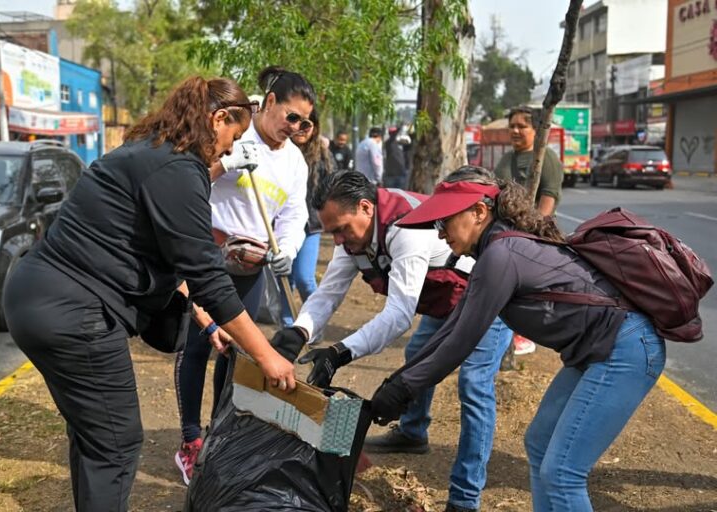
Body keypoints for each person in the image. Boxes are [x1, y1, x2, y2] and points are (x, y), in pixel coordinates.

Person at [2, 76, 297, 512]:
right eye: (232, 136)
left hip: (36, 299)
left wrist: (207, 323)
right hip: (74, 311)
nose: (231, 150)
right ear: (218, 119)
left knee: (95, 435)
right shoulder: (179, 170)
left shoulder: (148, 152)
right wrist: (268, 357)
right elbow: (208, 277)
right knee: (117, 444)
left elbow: (167, 257)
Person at [370, 167, 666, 512]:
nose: (439, 234)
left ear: (479, 212)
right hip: (602, 349)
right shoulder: (495, 251)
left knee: (563, 473)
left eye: (444, 221)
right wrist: (398, 383)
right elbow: (453, 328)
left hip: (624, 348)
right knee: (539, 443)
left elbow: (461, 341)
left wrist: (403, 388)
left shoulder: (502, 255)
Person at [269, 171, 513, 512]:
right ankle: (413, 433)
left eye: (341, 229)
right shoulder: (353, 237)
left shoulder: (405, 229)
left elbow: (399, 315)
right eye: (332, 232)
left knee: (474, 385)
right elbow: (328, 294)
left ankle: (464, 499)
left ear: (367, 208)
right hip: (444, 297)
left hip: (487, 291)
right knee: (417, 354)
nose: (337, 240)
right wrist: (299, 332)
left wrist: (341, 351)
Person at [173, 66, 314, 485]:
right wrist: (227, 161)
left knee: (234, 353)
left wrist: (285, 251)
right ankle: (190, 439)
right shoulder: (231, 127)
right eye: (291, 116)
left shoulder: (294, 163)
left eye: (304, 122)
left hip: (250, 267)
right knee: (197, 344)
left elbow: (293, 215)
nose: (296, 128)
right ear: (269, 102)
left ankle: (220, 433)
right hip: (207, 252)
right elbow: (187, 174)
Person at [494, 105, 563, 356]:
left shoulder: (546, 159)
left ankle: (522, 335)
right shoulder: (507, 159)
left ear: (536, 129)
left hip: (532, 236)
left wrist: (532, 233)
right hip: (506, 235)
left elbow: (548, 199)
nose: (515, 130)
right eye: (512, 125)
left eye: (522, 126)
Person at [277, 107, 335, 328]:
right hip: (281, 225)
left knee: (304, 278)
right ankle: (287, 327)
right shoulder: (280, 152)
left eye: (306, 124)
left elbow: (333, 186)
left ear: (315, 127)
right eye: (295, 122)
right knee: (285, 279)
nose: (300, 129)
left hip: (310, 226)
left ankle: (313, 324)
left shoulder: (322, 155)